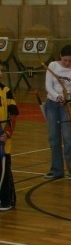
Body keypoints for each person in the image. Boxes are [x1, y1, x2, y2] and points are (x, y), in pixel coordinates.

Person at [43, 44, 71, 181]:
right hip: (52, 105)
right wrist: (57, 96)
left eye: (70, 61)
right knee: (54, 138)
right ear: (60, 56)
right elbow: (48, 86)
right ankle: (56, 170)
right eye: (65, 60)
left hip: (66, 107)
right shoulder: (53, 66)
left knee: (68, 138)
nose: (67, 63)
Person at [0, 68, 19, 210]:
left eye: (1, 70)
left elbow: (13, 115)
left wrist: (7, 133)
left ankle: (5, 201)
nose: (0, 73)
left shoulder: (5, 91)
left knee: (3, 171)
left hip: (2, 140)